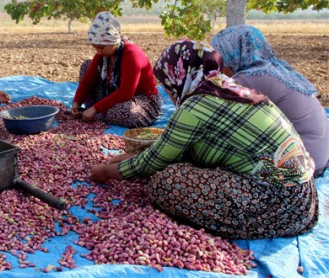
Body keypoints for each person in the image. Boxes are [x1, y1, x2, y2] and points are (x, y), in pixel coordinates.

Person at [90, 39, 318, 240]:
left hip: (278, 205)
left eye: (167, 84)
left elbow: (155, 162)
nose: (168, 92)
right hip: (306, 197)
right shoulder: (232, 89)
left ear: (178, 76)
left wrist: (107, 172)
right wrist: (131, 157)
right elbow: (184, 147)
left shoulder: (197, 105)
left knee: (165, 182)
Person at [211, 24, 329, 178]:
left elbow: (211, 112)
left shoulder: (251, 78)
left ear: (232, 53)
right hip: (319, 159)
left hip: (301, 168)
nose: (217, 65)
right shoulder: (276, 69)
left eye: (219, 57)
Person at [71, 11, 161, 128]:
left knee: (127, 113)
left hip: (140, 100)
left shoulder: (132, 54)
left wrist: (95, 108)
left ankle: (93, 113)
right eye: (95, 47)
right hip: (112, 93)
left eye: (101, 47)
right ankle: (91, 111)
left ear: (113, 42)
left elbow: (126, 92)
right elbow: (87, 82)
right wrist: (76, 102)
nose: (98, 51)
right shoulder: (103, 54)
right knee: (87, 65)